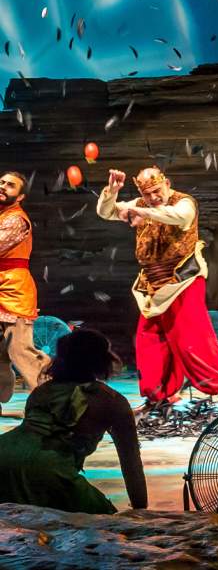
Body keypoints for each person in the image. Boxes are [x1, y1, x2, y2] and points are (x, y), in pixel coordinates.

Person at [97, 166, 218, 416]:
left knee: (193, 340)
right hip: (152, 283)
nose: (153, 197)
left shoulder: (184, 202)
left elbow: (177, 217)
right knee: (148, 341)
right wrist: (112, 192)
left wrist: (138, 210)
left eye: (156, 191)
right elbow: (106, 212)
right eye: (147, 193)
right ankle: (158, 396)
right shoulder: (142, 203)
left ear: (167, 183)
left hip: (182, 279)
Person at [0, 328, 147, 512]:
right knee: (103, 523)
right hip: (49, 470)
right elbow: (131, 462)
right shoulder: (111, 401)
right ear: (101, 361)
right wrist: (142, 513)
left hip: (3, 452)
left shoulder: (42, 392)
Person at [0, 170, 49, 406]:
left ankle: (54, 397)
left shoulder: (15, 219)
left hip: (12, 291)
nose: (2, 187)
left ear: (19, 197)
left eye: (10, 185)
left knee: (21, 351)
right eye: (1, 182)